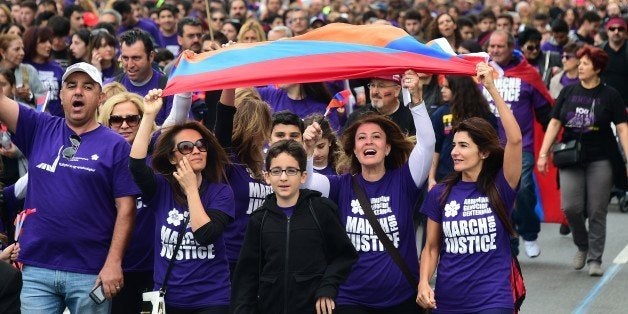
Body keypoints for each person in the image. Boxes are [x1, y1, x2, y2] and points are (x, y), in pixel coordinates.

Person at [0, 62, 139, 312]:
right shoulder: (39, 127)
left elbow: (127, 209)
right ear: (61, 95)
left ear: (100, 97)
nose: (78, 92)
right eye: (71, 86)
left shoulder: (116, 146)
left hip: (90, 271)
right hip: (37, 267)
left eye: (87, 87)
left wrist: (113, 263)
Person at [303, 70, 434, 312]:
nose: (369, 142)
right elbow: (307, 184)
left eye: (376, 137)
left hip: (402, 299)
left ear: (387, 148)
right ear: (353, 149)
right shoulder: (340, 185)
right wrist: (308, 151)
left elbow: (426, 144)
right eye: (361, 138)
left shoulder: (405, 180)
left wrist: (416, 98)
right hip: (352, 301)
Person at [417, 62, 522, 314]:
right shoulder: (439, 193)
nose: (454, 152)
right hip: (449, 301)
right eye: (454, 145)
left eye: (463, 146)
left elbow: (515, 140)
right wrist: (423, 283)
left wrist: (492, 88)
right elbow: (432, 247)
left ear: (484, 152)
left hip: (494, 299)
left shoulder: (502, 185)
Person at [130, 89, 234, 313]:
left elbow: (205, 235)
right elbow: (137, 166)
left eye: (201, 145)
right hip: (168, 297)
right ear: (171, 156)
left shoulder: (221, 192)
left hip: (211, 299)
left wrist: (191, 189)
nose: (196, 150)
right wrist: (148, 115)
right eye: (186, 147)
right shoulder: (161, 188)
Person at [231, 139, 358, 314]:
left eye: (291, 171)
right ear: (267, 176)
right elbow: (247, 275)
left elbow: (344, 255)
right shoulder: (259, 220)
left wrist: (328, 287)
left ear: (303, 176)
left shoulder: (321, 210)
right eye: (276, 171)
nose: (283, 177)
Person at [537, 45, 628, 276]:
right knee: (571, 208)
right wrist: (543, 153)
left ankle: (595, 259)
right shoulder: (568, 93)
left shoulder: (611, 95)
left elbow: (622, 128)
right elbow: (555, 123)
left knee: (597, 209)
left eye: (585, 63)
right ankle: (582, 244)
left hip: (601, 158)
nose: (580, 67)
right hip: (571, 156)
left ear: (597, 68)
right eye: (580, 63)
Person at [486, 30, 553, 258]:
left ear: (510, 47)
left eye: (499, 46)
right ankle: (510, 243)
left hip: (521, 145)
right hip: (490, 146)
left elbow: (545, 110)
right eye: (491, 46)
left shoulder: (527, 73)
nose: (494, 51)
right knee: (498, 195)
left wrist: (551, 139)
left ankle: (530, 232)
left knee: (522, 189)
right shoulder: (482, 71)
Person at [428, 75, 497, 190]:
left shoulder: (484, 115)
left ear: (459, 89)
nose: (442, 90)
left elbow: (493, 146)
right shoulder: (440, 113)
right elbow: (435, 149)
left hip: (480, 177)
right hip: (446, 176)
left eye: (447, 87)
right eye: (442, 86)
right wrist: (431, 178)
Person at [345, 75, 416, 136]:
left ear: (397, 90)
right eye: (372, 85)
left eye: (381, 86)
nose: (374, 91)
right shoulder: (356, 118)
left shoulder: (412, 118)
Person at [23, 26, 65, 117]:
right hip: (31, 120)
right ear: (32, 42)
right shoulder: (23, 67)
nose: (49, 45)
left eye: (49, 41)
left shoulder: (57, 68)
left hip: (56, 122)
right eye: (43, 41)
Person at [0, 34, 45, 107]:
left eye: (22, 49)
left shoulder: (28, 70)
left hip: (25, 117)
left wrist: (30, 96)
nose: (22, 53)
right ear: (3, 52)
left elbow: (44, 100)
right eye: (17, 49)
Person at [599, 17, 628, 107]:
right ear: (607, 31)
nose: (616, 32)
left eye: (620, 29)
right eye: (612, 29)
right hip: (604, 101)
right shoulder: (599, 51)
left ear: (625, 32)